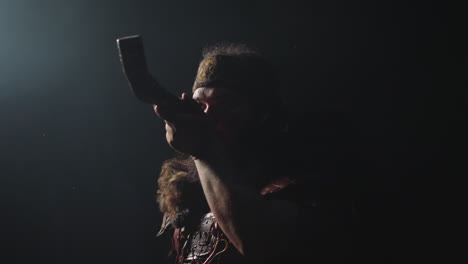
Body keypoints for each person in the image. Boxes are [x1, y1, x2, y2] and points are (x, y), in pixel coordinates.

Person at [153, 43, 350, 264]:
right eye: (201, 106)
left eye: (225, 104)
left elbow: (257, 242)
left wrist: (202, 150)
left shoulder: (302, 185)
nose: (208, 118)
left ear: (262, 115)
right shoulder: (190, 197)